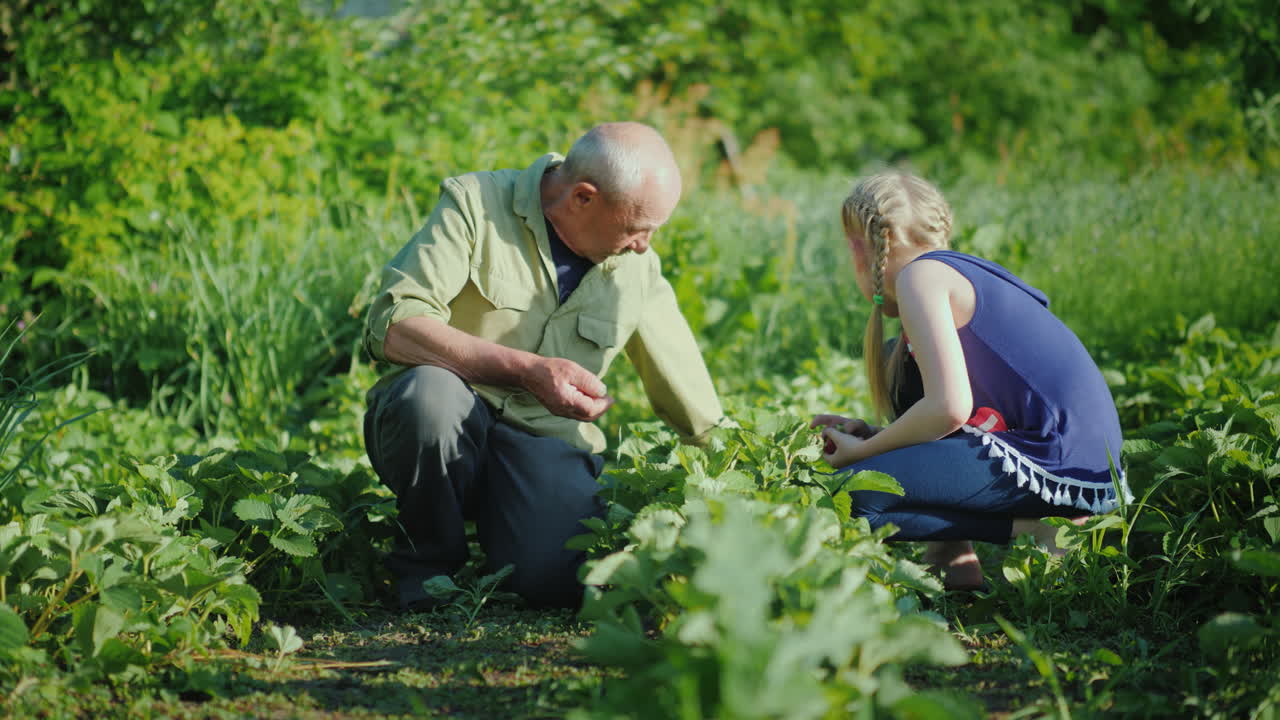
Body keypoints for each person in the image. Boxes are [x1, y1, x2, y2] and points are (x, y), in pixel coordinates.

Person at [362, 122, 724, 610]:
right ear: (582, 198)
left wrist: (767, 463)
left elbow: (693, 401)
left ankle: (510, 533)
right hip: (446, 421)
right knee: (430, 397)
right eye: (637, 227)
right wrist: (525, 370)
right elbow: (394, 323)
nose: (643, 244)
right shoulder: (476, 204)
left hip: (543, 443)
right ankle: (426, 567)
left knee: (552, 581)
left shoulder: (638, 265)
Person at [811, 170, 1131, 590]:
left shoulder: (919, 277)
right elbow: (963, 411)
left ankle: (1039, 529)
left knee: (847, 496)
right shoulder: (953, 274)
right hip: (1090, 461)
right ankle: (952, 559)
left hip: (1057, 458)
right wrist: (875, 435)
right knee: (899, 360)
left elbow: (950, 408)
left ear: (861, 246)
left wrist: (864, 452)